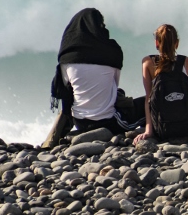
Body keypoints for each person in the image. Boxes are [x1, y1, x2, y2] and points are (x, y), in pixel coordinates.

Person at [48, 8, 144, 137]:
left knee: (117, 92)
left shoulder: (66, 59)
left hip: (80, 122)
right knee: (147, 104)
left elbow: (67, 90)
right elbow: (113, 83)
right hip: (108, 122)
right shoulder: (112, 52)